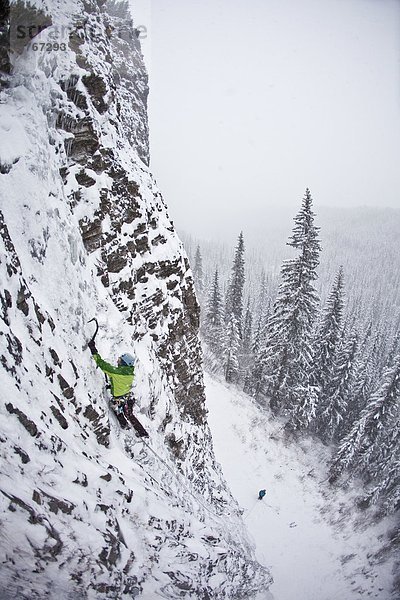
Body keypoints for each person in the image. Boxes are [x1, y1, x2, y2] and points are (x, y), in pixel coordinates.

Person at [88, 339, 148, 437]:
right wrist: (112, 386)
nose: (117, 361)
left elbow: (103, 365)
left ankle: (129, 427)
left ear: (124, 363)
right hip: (127, 397)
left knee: (119, 410)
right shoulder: (128, 372)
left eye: (120, 360)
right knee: (129, 414)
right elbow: (119, 382)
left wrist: (93, 350)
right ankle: (138, 431)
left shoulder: (117, 372)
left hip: (121, 398)